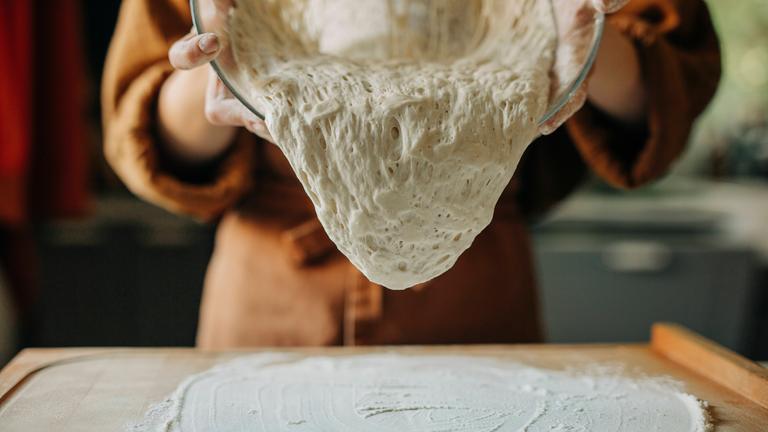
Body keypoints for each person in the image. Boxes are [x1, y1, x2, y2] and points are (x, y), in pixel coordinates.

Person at [102, 0, 720, 348]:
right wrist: (215, 76)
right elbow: (145, 128)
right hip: (271, 289)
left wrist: (584, 43)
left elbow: (671, 86)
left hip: (474, 277)